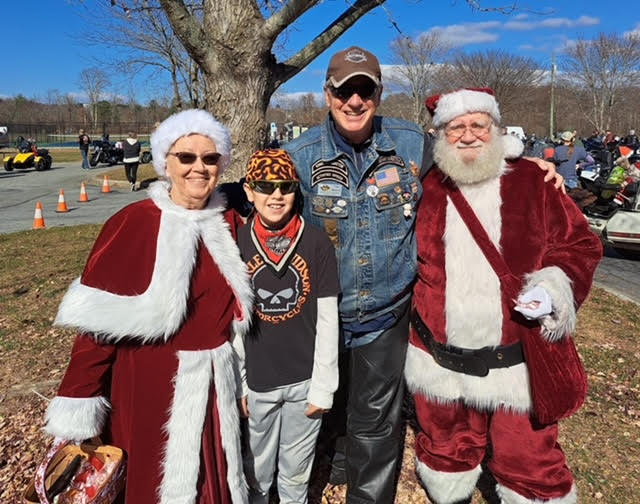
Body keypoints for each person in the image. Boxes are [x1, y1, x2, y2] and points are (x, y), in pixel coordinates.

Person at [283, 46, 563, 503]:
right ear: (327, 94)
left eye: (365, 90)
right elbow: (258, 205)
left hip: (385, 316)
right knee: (316, 411)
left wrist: (525, 166)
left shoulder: (412, 144)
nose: (354, 101)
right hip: (321, 317)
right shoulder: (298, 156)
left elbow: (472, 163)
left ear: (378, 94)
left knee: (375, 425)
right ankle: (324, 467)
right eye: (344, 90)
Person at [43, 109, 254, 504]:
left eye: (210, 158)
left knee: (215, 484)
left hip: (215, 389)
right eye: (186, 157)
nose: (199, 168)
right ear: (164, 163)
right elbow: (95, 332)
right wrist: (77, 410)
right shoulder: (132, 224)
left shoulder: (229, 222)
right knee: (153, 485)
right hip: (148, 388)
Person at [405, 88, 602, 504]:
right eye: (456, 126)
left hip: (515, 359)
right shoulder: (425, 186)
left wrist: (552, 287)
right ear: (439, 134)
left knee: (530, 463)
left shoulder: (533, 180)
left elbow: (579, 246)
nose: (469, 134)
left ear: (496, 129)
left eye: (478, 124)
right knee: (447, 449)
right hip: (440, 359)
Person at [233, 149, 340, 504]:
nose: (276, 195)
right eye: (265, 186)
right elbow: (233, 323)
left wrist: (324, 385)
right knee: (257, 471)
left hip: (305, 383)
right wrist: (240, 383)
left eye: (285, 186)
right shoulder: (236, 243)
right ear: (249, 190)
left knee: (296, 472)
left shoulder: (316, 241)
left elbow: (328, 318)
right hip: (259, 382)